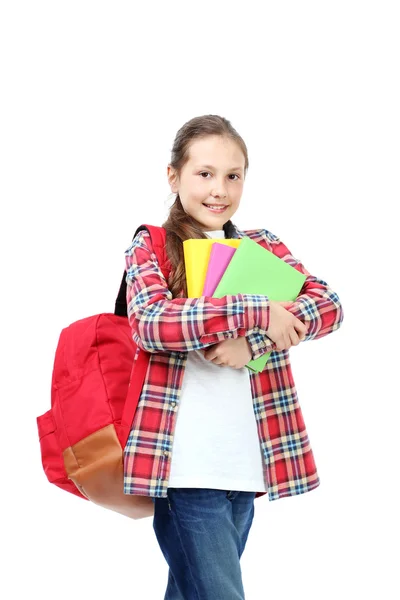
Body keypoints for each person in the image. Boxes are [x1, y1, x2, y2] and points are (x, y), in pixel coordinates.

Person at [123, 114, 344, 599]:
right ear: (174, 176)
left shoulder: (260, 246)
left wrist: (254, 341)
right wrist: (257, 310)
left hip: (245, 467)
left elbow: (328, 305)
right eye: (204, 173)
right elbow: (151, 322)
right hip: (183, 469)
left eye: (232, 175)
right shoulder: (154, 247)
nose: (218, 189)